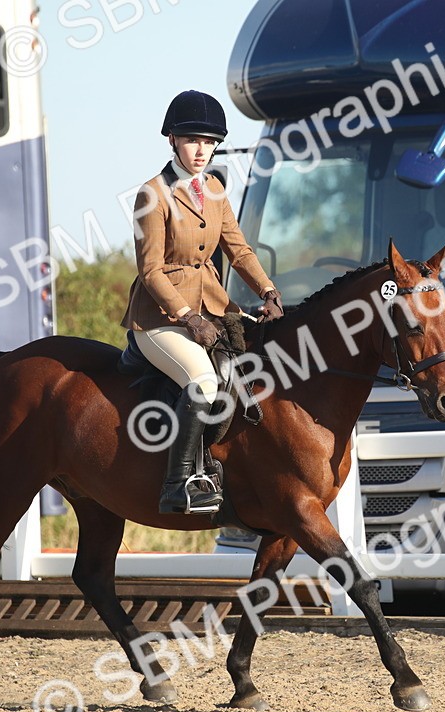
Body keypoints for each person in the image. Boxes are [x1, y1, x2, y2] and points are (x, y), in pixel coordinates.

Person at [120, 90, 283, 514]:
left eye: (209, 143)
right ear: (172, 139)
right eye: (193, 140)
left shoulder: (213, 189)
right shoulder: (152, 195)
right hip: (159, 318)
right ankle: (178, 483)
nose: (201, 151)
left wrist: (268, 291)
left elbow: (239, 251)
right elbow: (151, 271)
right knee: (204, 381)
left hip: (212, 306)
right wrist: (188, 317)